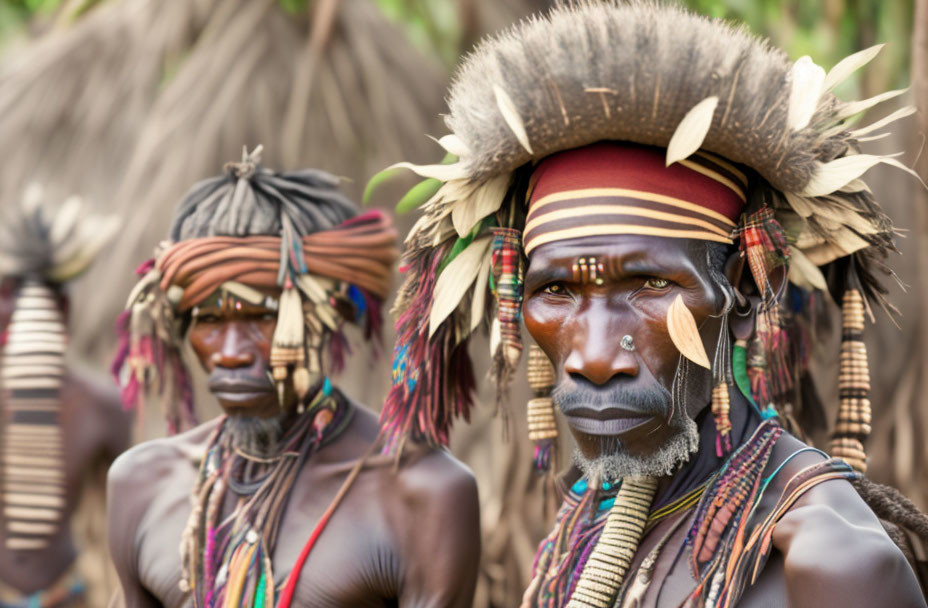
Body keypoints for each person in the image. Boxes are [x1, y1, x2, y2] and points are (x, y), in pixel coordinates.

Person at [377, 3, 928, 606]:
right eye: (556, 291)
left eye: (650, 286)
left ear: (742, 292)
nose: (592, 356)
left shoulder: (830, 561)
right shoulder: (591, 510)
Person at [107, 147, 479, 608]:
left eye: (263, 318)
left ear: (328, 316)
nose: (229, 353)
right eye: (208, 320)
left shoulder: (420, 494)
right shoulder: (141, 482)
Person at [0, 185, 130, 607]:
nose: (10, 309)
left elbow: (129, 521)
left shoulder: (101, 405)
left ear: (62, 309)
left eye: (24, 295)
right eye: (2, 293)